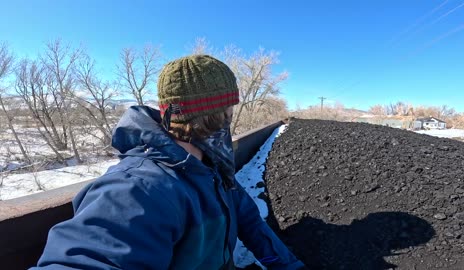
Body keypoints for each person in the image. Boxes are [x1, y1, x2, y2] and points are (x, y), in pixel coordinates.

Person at [31, 55, 306, 270]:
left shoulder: (212, 170)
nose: (230, 118)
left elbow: (249, 222)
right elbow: (90, 257)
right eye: (229, 110)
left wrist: (286, 266)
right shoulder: (138, 188)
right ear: (218, 114)